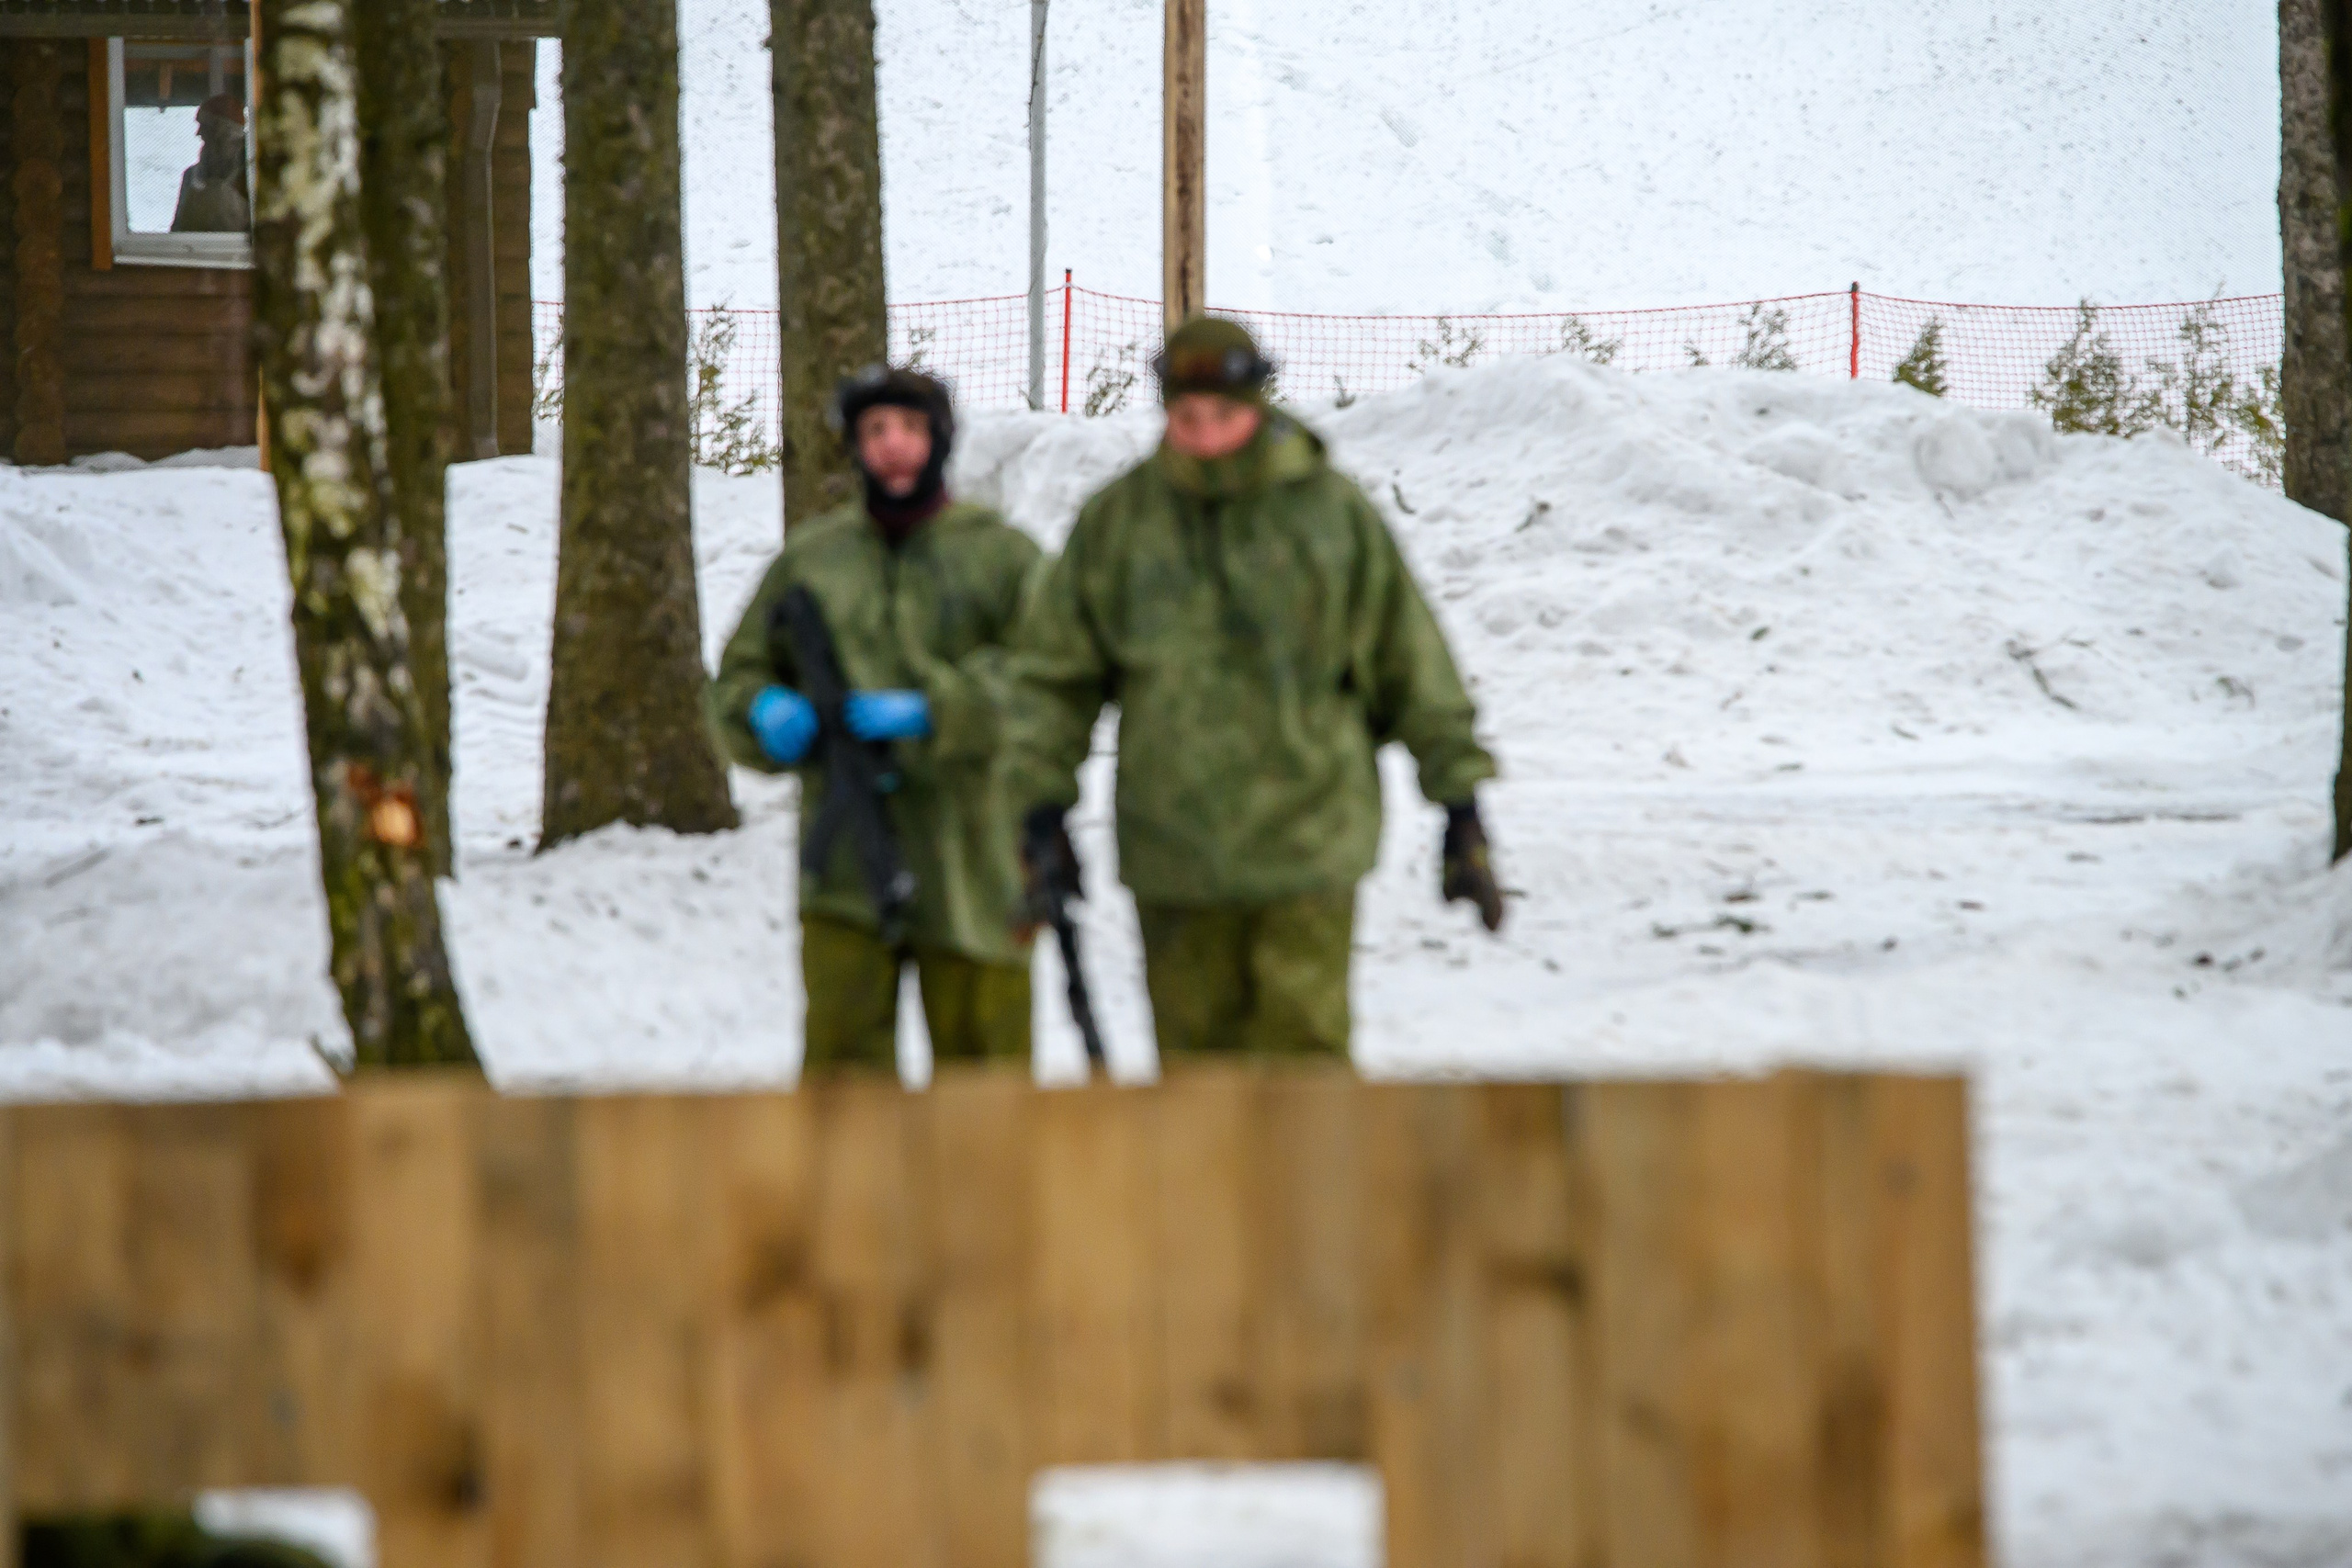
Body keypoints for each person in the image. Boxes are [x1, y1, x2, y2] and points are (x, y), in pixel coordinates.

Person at [1002, 316, 1505, 1061]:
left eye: (1225, 417)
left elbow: (1411, 662)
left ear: (1259, 406)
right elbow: (1054, 679)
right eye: (1187, 418)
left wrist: (1461, 806)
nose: (1205, 437)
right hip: (1175, 850)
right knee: (1198, 1088)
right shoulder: (1121, 523)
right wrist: (1036, 808)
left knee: (1304, 1077)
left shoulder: (1330, 516)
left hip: (1307, 842)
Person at [709, 367, 1043, 1072]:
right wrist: (763, 709)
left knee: (988, 1088)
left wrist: (940, 710)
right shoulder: (814, 560)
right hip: (845, 871)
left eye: (911, 429)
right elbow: (741, 674)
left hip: (975, 860)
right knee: (845, 1094)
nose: (894, 447)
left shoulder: (1001, 556)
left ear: (941, 440)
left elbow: (1052, 678)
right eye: (875, 431)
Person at [170, 93, 249, 234]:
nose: (198, 133)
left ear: (223, 129)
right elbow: (177, 233)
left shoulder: (252, 175)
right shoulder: (191, 176)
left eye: (204, 126)